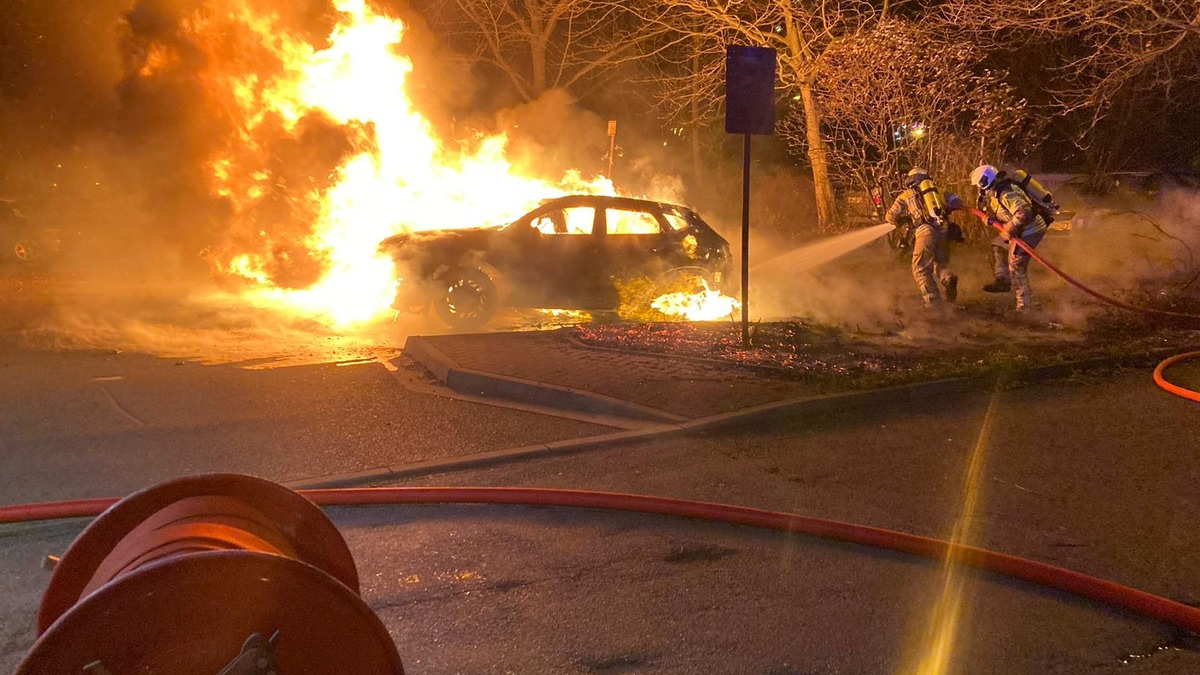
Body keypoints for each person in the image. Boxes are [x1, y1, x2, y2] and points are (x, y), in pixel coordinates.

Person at [970, 164, 1049, 314]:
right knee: (998, 244)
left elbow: (1023, 213)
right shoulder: (997, 192)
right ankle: (1003, 280)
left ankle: (1025, 308)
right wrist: (993, 220)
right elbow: (1006, 213)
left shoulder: (1005, 193)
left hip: (1030, 231)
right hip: (1025, 230)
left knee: (1017, 267)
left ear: (983, 182)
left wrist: (1009, 228)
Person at [885, 168, 960, 308]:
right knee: (940, 263)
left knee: (919, 268)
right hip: (943, 230)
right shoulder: (938, 190)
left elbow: (890, 217)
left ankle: (933, 302)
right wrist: (947, 207)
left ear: (911, 179)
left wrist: (902, 219)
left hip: (925, 232)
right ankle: (948, 278)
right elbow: (957, 201)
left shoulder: (906, 195)